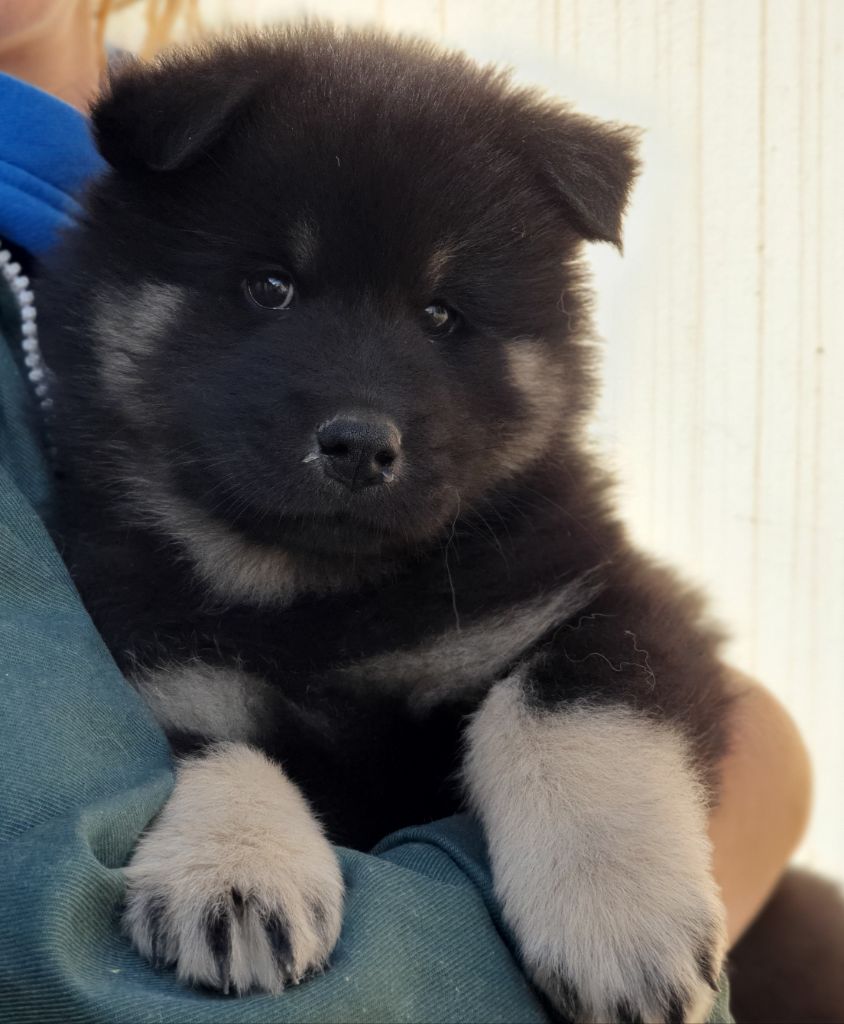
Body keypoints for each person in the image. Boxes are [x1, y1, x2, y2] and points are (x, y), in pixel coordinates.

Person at [0, 2, 812, 1020]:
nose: (362, 413)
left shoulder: (525, 570)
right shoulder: (95, 565)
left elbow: (606, 641)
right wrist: (225, 794)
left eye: (441, 316)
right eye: (270, 289)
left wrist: (606, 837)